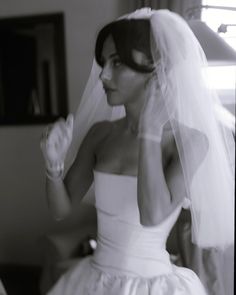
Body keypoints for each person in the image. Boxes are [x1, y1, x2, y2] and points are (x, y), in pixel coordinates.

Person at [40, 8, 234, 295]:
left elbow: (152, 214)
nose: (103, 74)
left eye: (117, 63)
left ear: (156, 70)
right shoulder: (101, 135)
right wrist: (53, 166)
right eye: (103, 62)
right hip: (93, 281)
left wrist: (149, 132)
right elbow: (60, 210)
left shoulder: (190, 141)